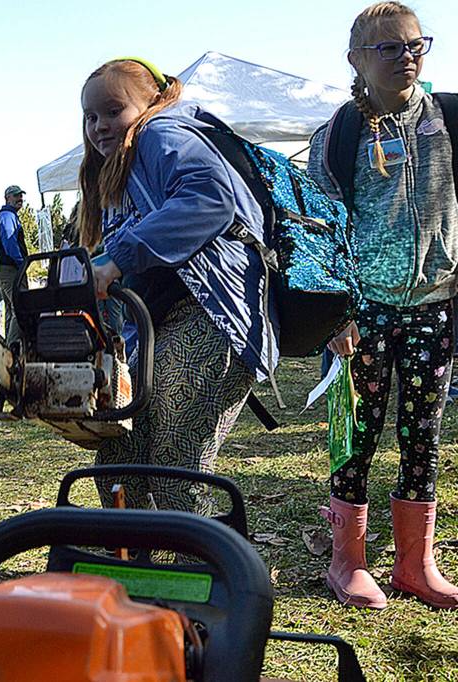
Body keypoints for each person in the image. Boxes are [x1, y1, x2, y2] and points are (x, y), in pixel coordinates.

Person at [307, 1, 458, 610]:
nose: (407, 57)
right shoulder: (338, 135)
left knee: (423, 435)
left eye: (416, 44)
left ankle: (416, 565)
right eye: (389, 48)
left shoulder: (448, 117)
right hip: (362, 314)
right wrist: (334, 312)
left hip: (434, 306)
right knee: (355, 436)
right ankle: (347, 562)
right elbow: (316, 231)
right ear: (356, 60)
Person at [79, 58, 276, 515]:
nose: (100, 125)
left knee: (175, 470)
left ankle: (206, 559)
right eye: (90, 116)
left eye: (113, 110)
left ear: (151, 101)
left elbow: (210, 198)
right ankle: (133, 558)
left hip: (212, 313)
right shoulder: (117, 171)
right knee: (118, 463)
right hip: (157, 325)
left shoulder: (161, 133)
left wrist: (118, 257)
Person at [0, 186, 29, 419]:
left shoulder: (6, 216)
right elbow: (10, 242)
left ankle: (11, 349)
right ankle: (11, 350)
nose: (20, 199)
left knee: (13, 311)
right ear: (7, 198)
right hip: (11, 269)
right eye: (16, 196)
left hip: (4, 269)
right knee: (21, 309)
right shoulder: (7, 216)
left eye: (21, 196)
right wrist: (22, 262)